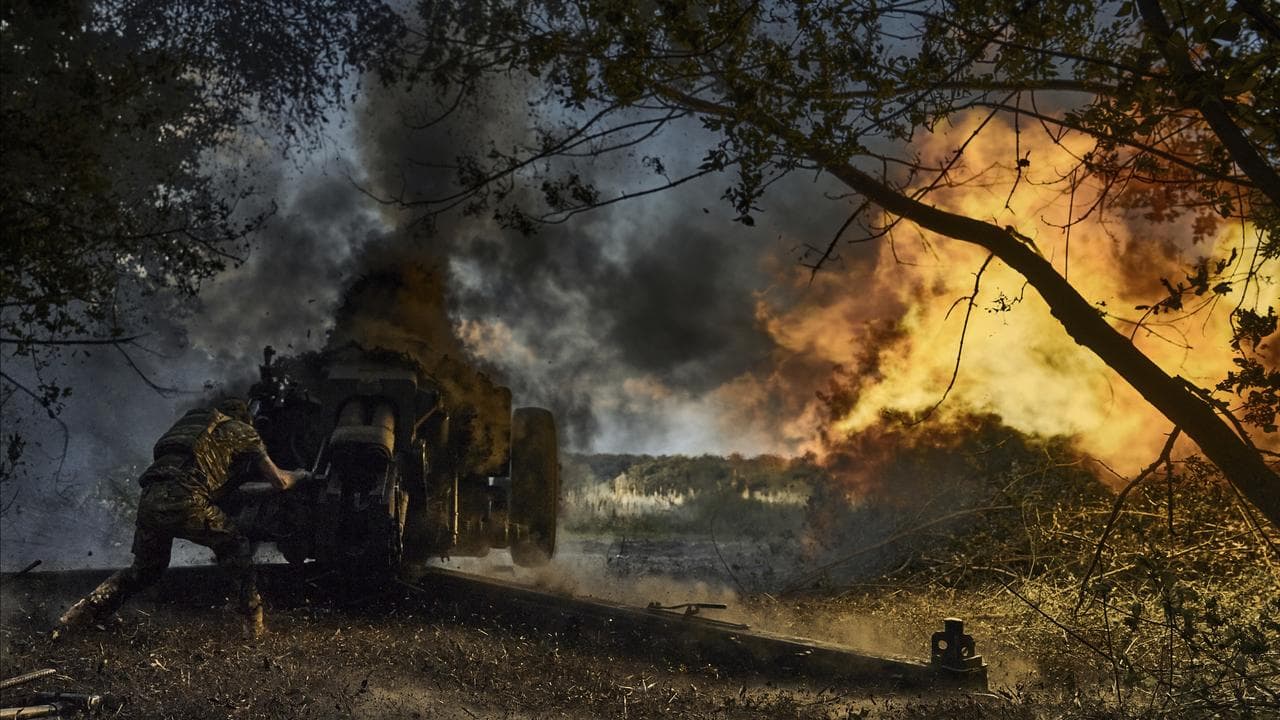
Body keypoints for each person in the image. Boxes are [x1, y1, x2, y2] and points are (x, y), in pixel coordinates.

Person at [56, 398, 309, 639]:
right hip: (187, 500)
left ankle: (78, 616)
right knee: (236, 546)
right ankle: (255, 628)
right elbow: (280, 482)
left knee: (144, 571)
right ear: (244, 418)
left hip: (150, 497)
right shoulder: (243, 432)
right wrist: (301, 475)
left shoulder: (190, 430)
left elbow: (200, 476)